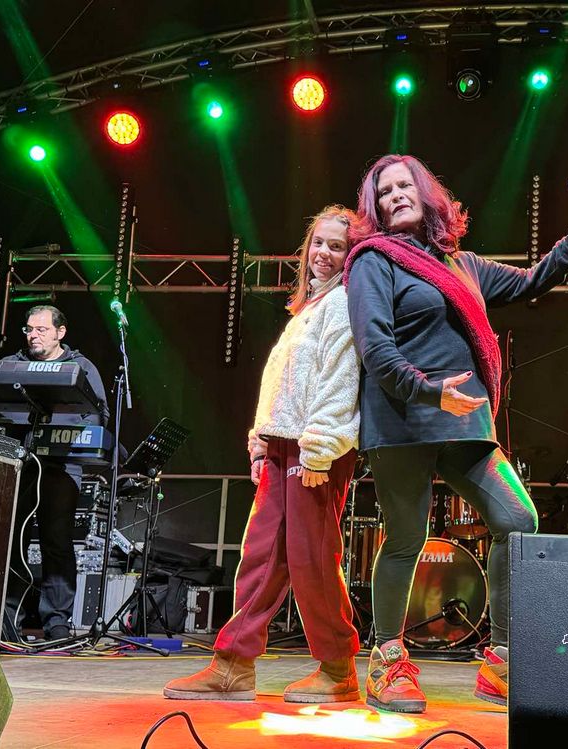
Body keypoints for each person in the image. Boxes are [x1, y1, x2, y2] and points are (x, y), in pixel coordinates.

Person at [344, 155, 568, 712]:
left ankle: (502, 663)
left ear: (427, 194)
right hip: (402, 419)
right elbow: (375, 348)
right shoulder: (373, 260)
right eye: (384, 191)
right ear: (375, 207)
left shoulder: (461, 265)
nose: (396, 195)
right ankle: (387, 661)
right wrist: (428, 391)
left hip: (465, 422)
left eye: (405, 185)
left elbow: (532, 280)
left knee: (518, 520)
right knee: (406, 539)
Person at [164, 206, 362, 703]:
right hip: (282, 445)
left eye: (337, 246)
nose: (324, 253)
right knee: (260, 555)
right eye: (319, 243)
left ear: (351, 254)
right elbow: (281, 386)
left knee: (311, 558)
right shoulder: (307, 309)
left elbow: (340, 381)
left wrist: (318, 451)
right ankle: (233, 664)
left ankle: (338, 669)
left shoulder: (344, 302)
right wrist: (260, 443)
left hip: (314, 449)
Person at [0, 305, 108, 641]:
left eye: (41, 330)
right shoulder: (11, 365)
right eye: (29, 329)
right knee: (12, 539)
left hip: (61, 466)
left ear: (60, 332)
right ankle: (7, 617)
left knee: (56, 541)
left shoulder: (81, 367)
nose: (33, 335)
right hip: (17, 463)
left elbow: (98, 415)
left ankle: (57, 620)